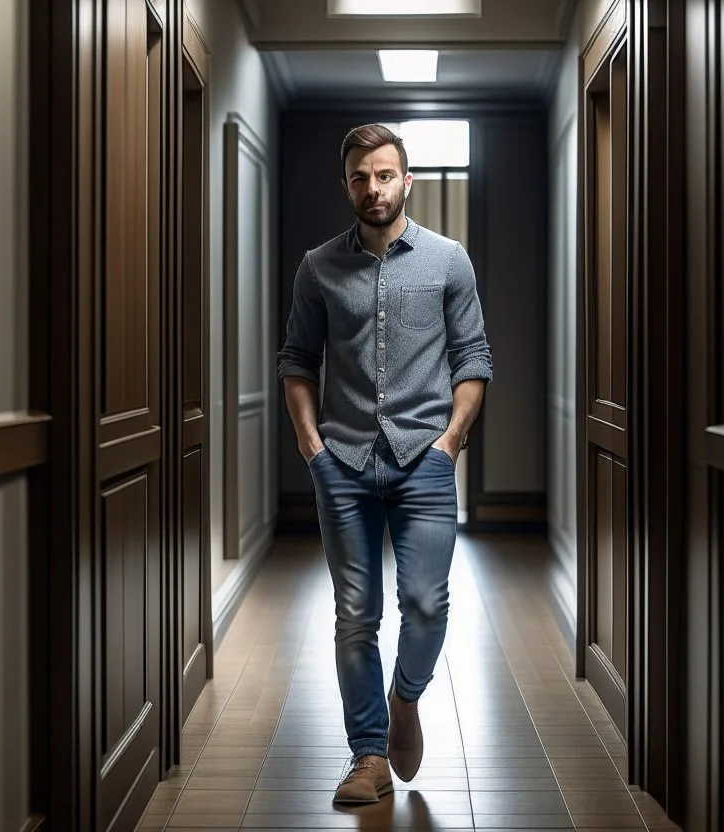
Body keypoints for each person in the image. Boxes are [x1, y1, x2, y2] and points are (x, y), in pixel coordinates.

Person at [276, 123, 493, 804]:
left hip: (424, 460)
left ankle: (406, 699)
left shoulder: (449, 260)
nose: (374, 188)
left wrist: (450, 442)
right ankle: (367, 755)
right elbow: (296, 362)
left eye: (385, 174)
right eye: (360, 177)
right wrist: (312, 448)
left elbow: (474, 360)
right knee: (355, 613)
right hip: (341, 462)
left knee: (426, 604)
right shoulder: (318, 267)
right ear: (347, 185)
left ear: (407, 179)